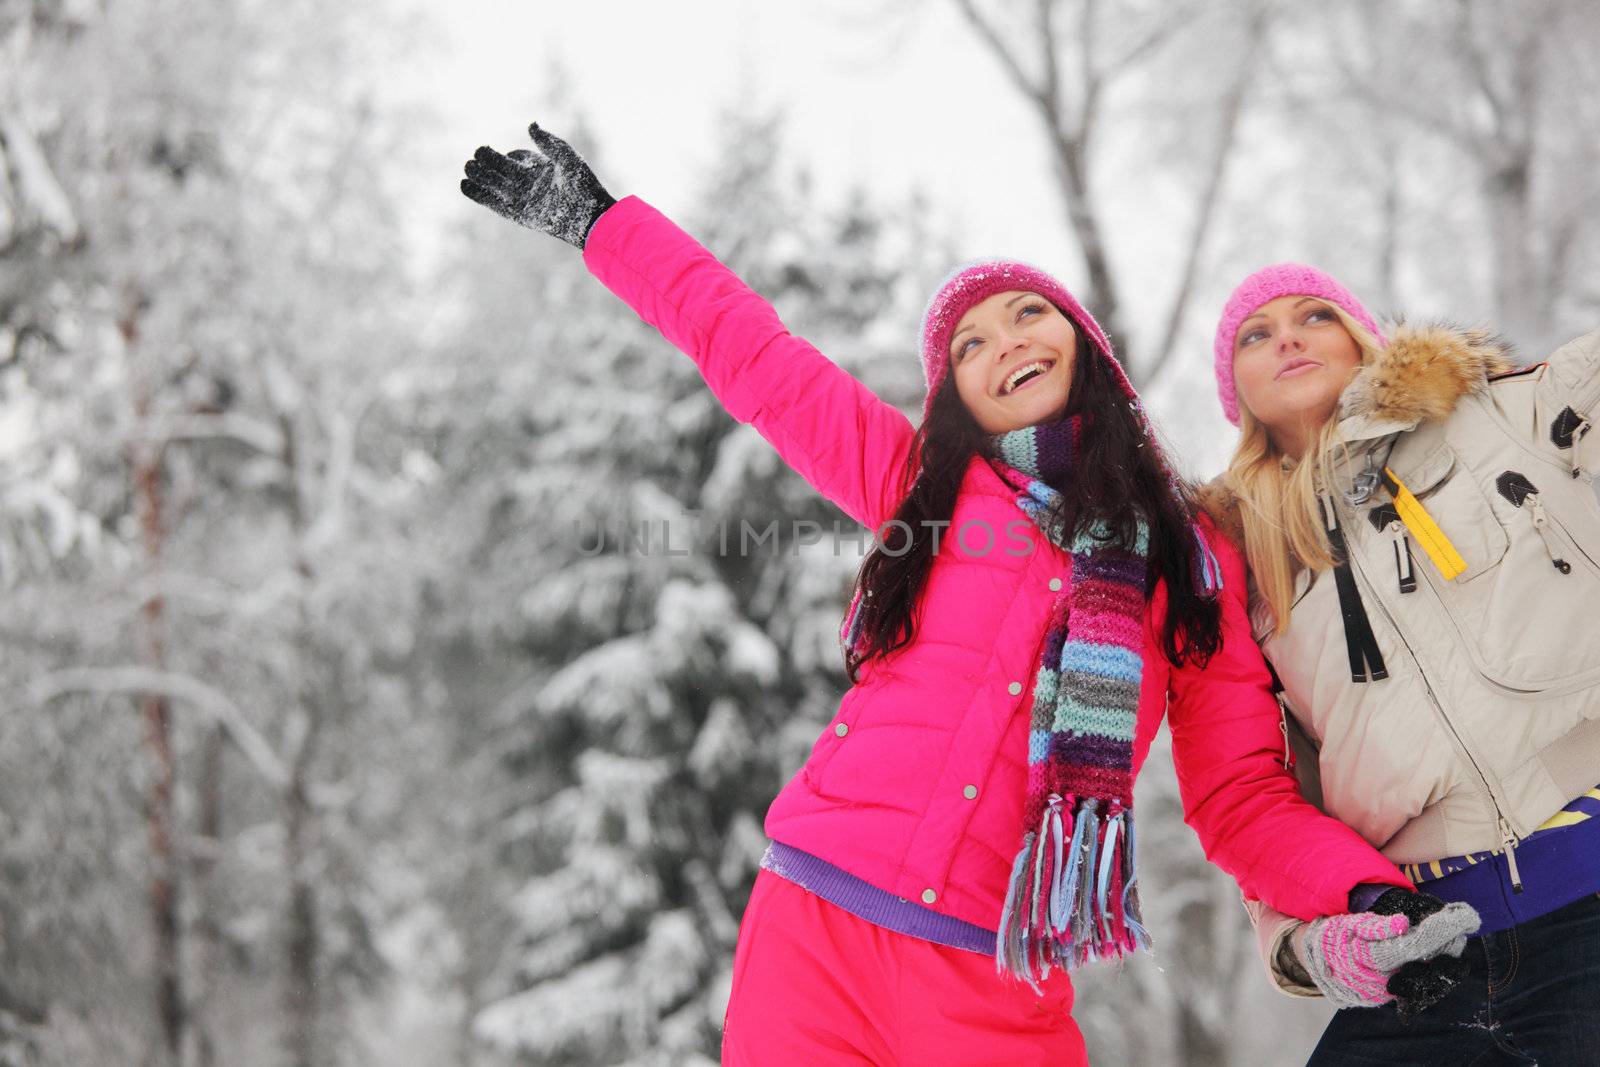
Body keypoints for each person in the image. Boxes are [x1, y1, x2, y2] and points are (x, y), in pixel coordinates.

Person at [459, 126, 1472, 1066]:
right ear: (956, 391)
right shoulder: (922, 487)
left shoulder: (1192, 552)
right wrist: (604, 227)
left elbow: (1237, 791)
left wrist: (1360, 892)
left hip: (996, 970)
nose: (1004, 342)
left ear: (1085, 348)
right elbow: (753, 355)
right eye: (970, 342)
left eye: (1028, 313)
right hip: (815, 928)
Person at [1203, 263, 1600, 1064]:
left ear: (1361, 340)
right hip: (1430, 952)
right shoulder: (1239, 566)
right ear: (1234, 388)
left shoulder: (1500, 415)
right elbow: (1252, 792)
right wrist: (1306, 944)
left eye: (1313, 314)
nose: (1286, 335)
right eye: (1256, 332)